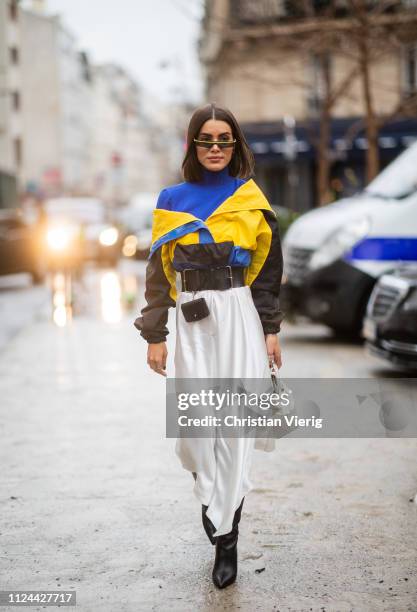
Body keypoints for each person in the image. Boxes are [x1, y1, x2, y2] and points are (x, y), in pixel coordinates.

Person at [134, 103, 284, 589]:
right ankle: (210, 497)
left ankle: (228, 535)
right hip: (193, 320)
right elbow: (158, 275)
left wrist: (271, 328)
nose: (215, 148)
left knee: (235, 425)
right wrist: (156, 334)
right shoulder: (171, 198)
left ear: (236, 145)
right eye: (206, 139)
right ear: (192, 145)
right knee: (198, 429)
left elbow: (268, 274)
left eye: (224, 139)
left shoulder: (251, 197)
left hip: (239, 313)